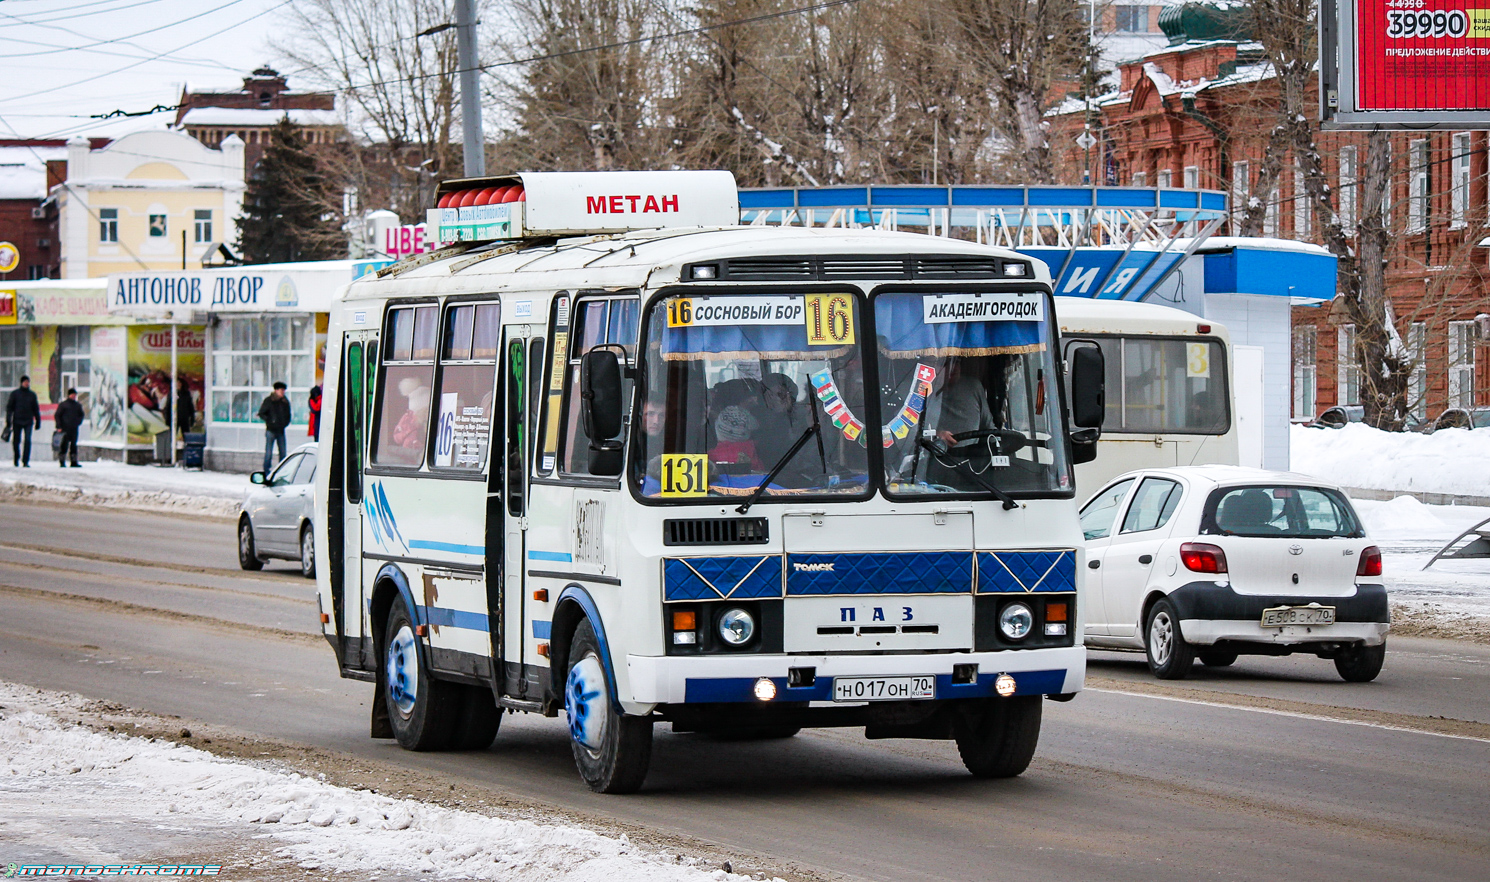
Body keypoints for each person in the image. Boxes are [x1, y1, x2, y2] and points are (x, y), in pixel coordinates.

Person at [5, 376, 41, 468]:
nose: (26, 383)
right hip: (17, 420)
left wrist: (38, 421)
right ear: (21, 383)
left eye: (28, 382)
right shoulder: (15, 394)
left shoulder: (32, 395)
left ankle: (25, 461)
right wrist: (8, 420)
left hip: (28, 421)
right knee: (16, 441)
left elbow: (35, 409)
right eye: (25, 382)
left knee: (28, 441)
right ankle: (16, 458)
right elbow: (9, 408)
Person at [257, 381, 292, 474]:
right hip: (271, 430)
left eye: (283, 390)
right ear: (276, 390)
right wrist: (270, 421)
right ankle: (266, 471)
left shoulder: (285, 402)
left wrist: (284, 423)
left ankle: (282, 471)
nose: (283, 392)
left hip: (281, 430)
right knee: (269, 452)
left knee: (283, 453)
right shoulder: (269, 400)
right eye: (281, 390)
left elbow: (288, 415)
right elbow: (261, 413)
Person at [54, 387, 85, 468]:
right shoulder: (63, 405)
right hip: (64, 428)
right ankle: (62, 461)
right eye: (72, 394)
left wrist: (78, 422)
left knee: (73, 445)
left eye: (75, 395)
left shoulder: (77, 405)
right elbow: (57, 415)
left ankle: (74, 461)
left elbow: (81, 415)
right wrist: (59, 426)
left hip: (74, 428)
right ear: (69, 395)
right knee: (64, 445)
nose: (74, 396)